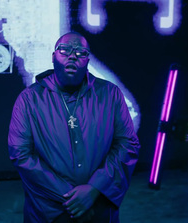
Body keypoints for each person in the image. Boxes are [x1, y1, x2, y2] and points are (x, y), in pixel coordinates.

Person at [8, 31, 140, 223]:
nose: (72, 55)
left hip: (98, 208)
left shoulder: (110, 94)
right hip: (48, 211)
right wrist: (72, 199)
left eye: (80, 52)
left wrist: (95, 189)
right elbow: (21, 155)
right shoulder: (29, 99)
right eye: (65, 50)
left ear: (87, 60)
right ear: (53, 57)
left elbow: (127, 145)